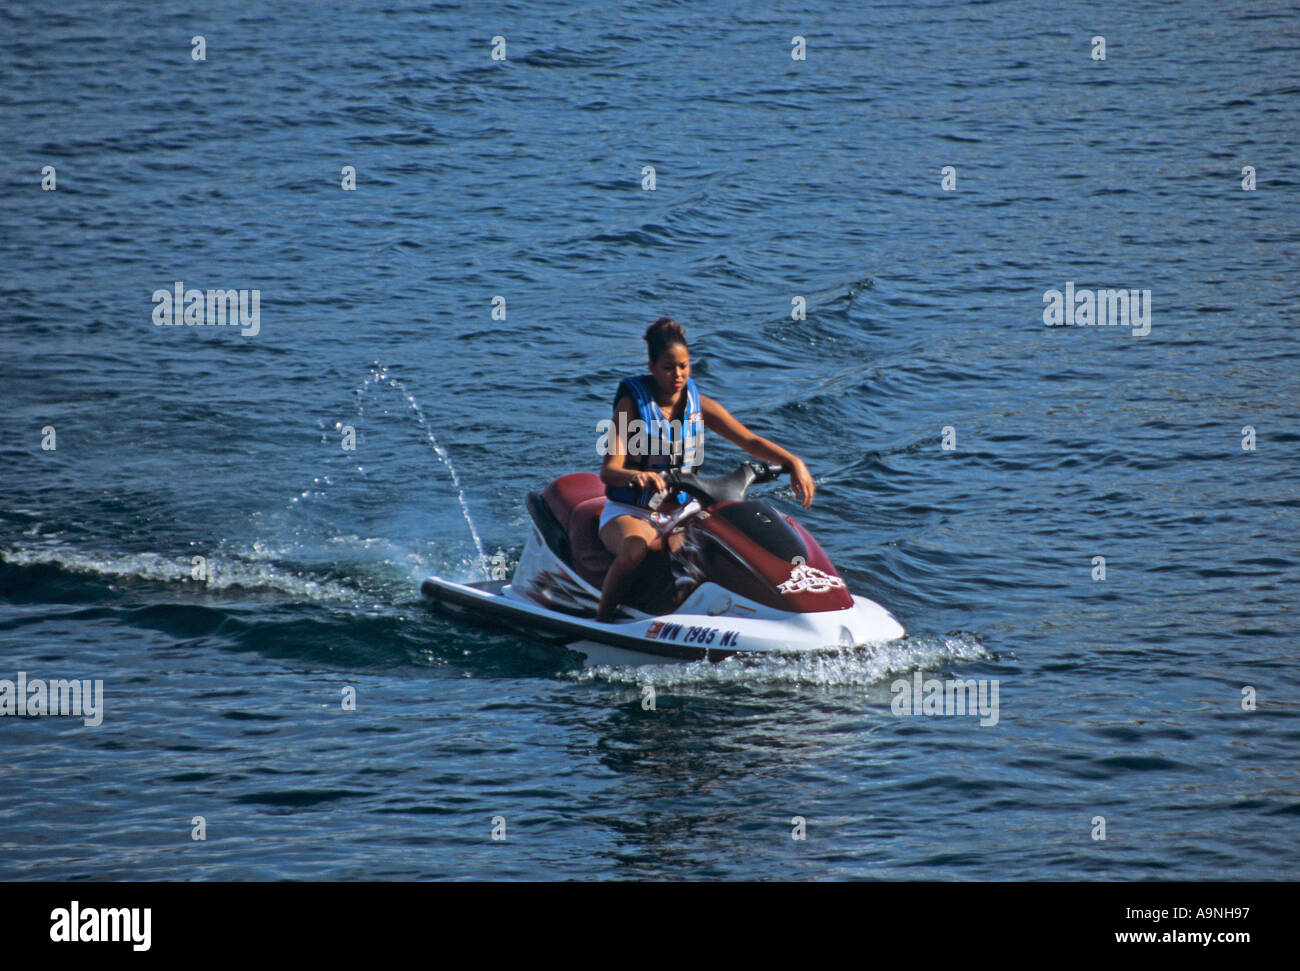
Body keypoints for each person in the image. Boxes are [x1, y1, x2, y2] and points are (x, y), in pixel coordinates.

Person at [595, 317, 816, 622]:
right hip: (632, 511)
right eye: (668, 367)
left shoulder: (698, 404)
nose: (678, 374)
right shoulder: (630, 406)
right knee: (634, 551)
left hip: (682, 511)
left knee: (725, 546)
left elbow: (749, 441)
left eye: (684, 366)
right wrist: (638, 476)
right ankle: (602, 620)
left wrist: (794, 462)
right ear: (651, 367)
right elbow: (609, 470)